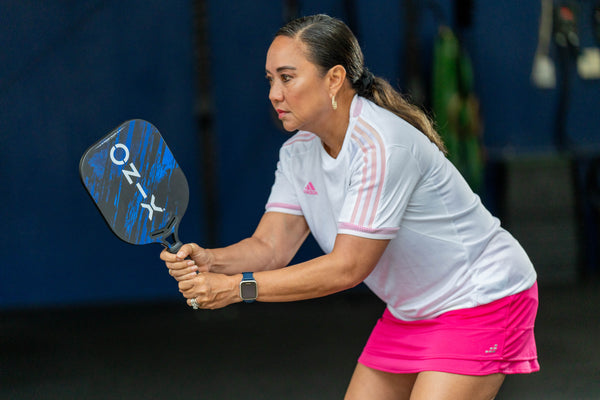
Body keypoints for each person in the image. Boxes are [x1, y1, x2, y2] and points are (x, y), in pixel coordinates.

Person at [160, 14, 539, 400]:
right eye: (270, 79)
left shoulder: (381, 146)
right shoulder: (297, 153)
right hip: (412, 310)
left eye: (287, 78)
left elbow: (348, 268)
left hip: (482, 296)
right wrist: (211, 260)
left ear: (334, 79)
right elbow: (270, 247)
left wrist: (236, 289)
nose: (275, 93)